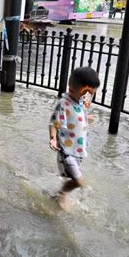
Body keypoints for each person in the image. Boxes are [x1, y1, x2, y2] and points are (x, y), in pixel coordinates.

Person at [48, 67, 100, 211]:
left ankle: (56, 196)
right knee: (78, 181)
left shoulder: (79, 103)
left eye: (92, 94)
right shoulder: (64, 105)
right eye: (87, 94)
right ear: (72, 89)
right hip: (66, 151)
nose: (89, 97)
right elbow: (54, 123)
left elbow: (75, 118)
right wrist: (53, 138)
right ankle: (62, 194)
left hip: (77, 151)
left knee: (73, 179)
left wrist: (85, 118)